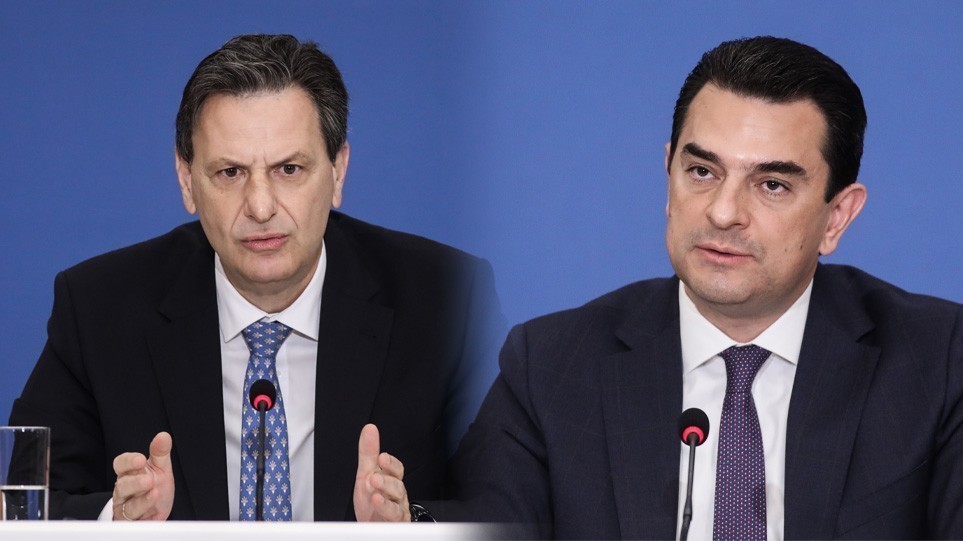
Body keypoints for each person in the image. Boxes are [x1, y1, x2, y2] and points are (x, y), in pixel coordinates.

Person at [354, 36, 963, 539]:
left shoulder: (937, 360)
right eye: (701, 171)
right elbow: (490, 521)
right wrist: (410, 528)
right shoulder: (552, 365)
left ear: (837, 216)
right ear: (668, 171)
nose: (723, 212)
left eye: (772, 185)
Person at [9, 33, 502, 522]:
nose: (261, 207)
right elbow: (23, 504)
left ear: (338, 171)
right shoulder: (98, 308)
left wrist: (411, 525)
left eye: (289, 169)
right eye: (230, 173)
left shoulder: (447, 302)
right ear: (187, 181)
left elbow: (511, 502)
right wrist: (116, 522)